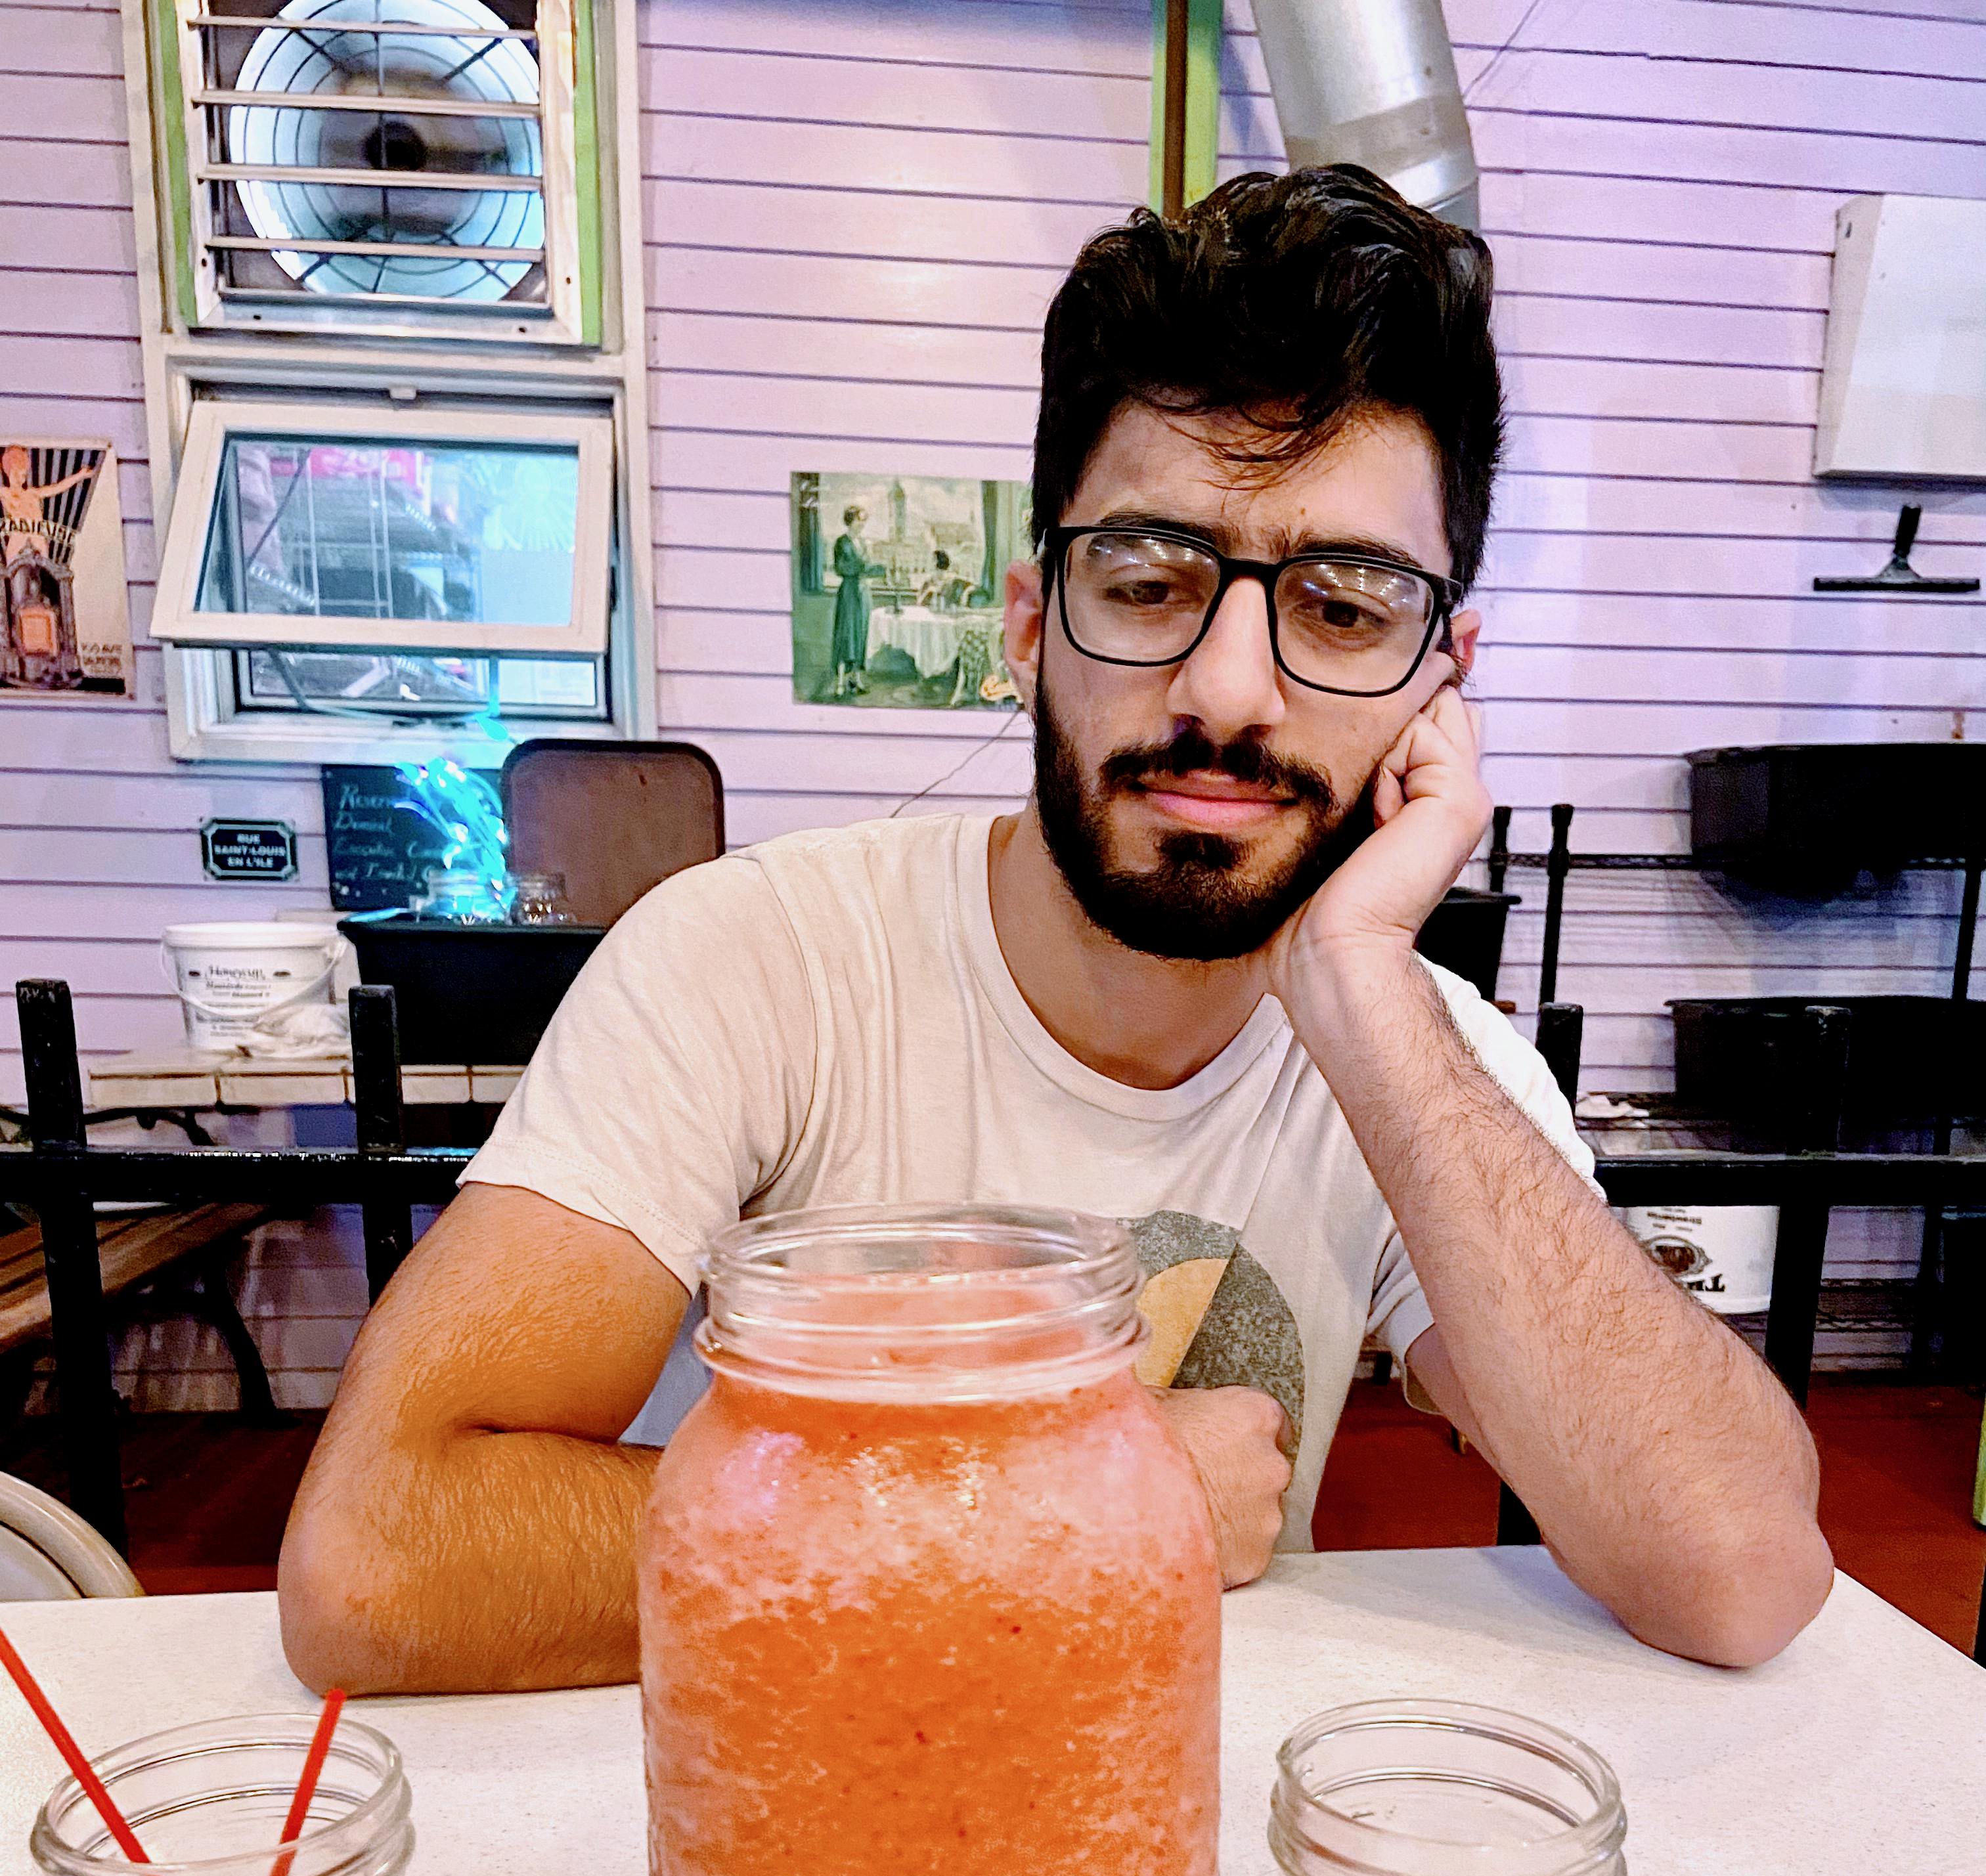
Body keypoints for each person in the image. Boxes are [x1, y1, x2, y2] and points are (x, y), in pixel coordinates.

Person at [280, 165, 1832, 1696]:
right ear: (1031, 629)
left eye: (1345, 608)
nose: (1229, 691)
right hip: (792, 1812)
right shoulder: (756, 961)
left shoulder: (1423, 1061)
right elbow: (384, 1554)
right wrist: (1060, 1509)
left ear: (1441, 676)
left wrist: (1366, 984)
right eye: (1151, 584)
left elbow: (1739, 1568)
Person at [829, 504, 875, 698]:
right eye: (859, 520)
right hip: (848, 593)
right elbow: (841, 568)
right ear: (850, 520)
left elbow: (868, 567)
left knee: (860, 636)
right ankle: (840, 681)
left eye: (864, 520)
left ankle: (856, 679)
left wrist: (870, 567)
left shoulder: (864, 543)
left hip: (863, 594)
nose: (862, 524)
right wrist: (862, 565)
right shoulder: (841, 543)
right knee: (845, 636)